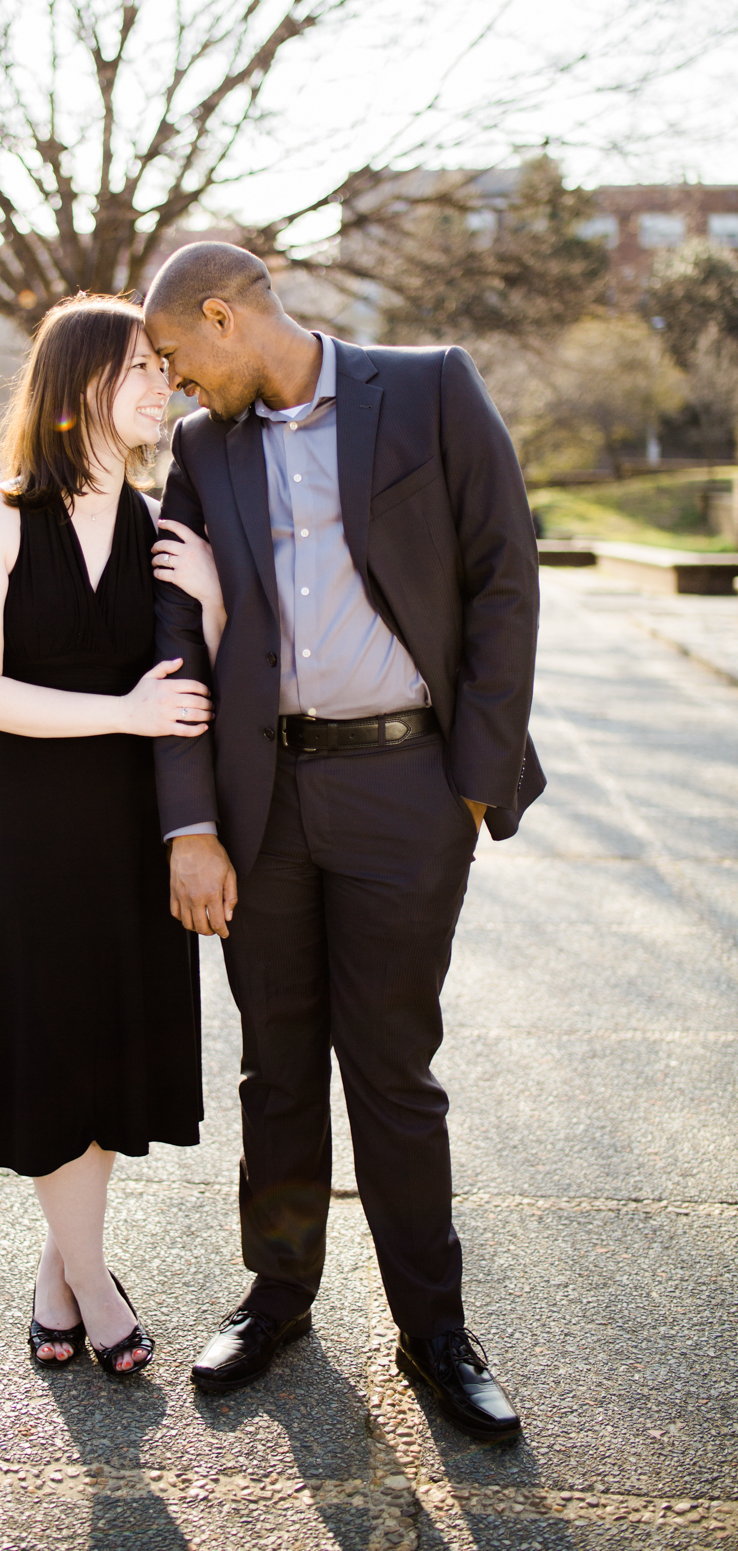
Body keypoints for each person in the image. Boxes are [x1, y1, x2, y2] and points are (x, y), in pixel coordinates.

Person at [144, 243, 544, 1441]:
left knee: (391, 1071)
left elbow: (505, 579)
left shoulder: (428, 387)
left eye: (172, 357)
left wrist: (469, 785)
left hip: (406, 790)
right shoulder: (203, 453)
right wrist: (191, 824)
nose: (169, 385)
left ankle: (435, 1330)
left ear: (223, 317)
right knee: (276, 1065)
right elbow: (176, 643)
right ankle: (279, 1299)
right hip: (260, 806)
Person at [0, 293, 217, 1377]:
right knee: (49, 1049)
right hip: (22, 825)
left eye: (166, 369)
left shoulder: (161, 530)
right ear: (77, 386)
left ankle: (59, 1274)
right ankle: (95, 1286)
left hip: (129, 828)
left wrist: (215, 602)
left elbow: (197, 684)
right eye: (141, 367)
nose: (164, 387)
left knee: (100, 1055)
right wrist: (121, 714)